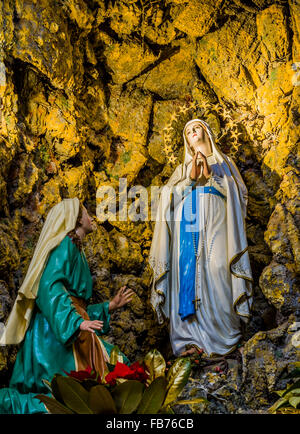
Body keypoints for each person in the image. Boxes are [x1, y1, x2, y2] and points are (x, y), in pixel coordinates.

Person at [0, 197, 134, 414]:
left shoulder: (75, 248)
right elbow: (48, 287)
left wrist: (109, 306)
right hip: (55, 334)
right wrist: (75, 323)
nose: (91, 216)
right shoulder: (67, 244)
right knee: (66, 399)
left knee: (93, 388)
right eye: (85, 212)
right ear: (75, 219)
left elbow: (75, 305)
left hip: (68, 328)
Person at [149, 119, 253, 358]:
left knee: (218, 269)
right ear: (186, 140)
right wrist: (190, 179)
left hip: (217, 227)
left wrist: (212, 176)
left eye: (196, 128)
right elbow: (168, 199)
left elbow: (241, 197)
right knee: (185, 274)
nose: (192, 132)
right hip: (186, 230)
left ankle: (223, 336)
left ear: (206, 132)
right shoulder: (181, 170)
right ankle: (189, 340)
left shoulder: (224, 163)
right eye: (187, 131)